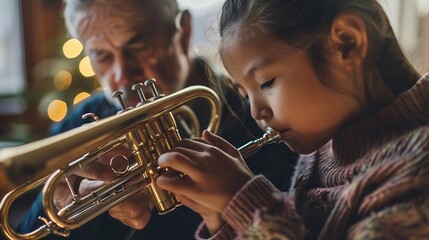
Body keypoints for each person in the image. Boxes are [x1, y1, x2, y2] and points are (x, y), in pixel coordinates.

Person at [14, 0, 297, 239]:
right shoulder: (78, 125)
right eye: (101, 55)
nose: (122, 75)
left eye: (138, 45)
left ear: (184, 32)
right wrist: (58, 202)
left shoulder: (259, 117)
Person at [154, 0, 429, 239]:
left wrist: (245, 203)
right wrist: (223, 220)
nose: (256, 113)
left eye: (266, 82)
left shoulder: (417, 168)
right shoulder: (324, 148)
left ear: (346, 42)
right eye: (245, 95)